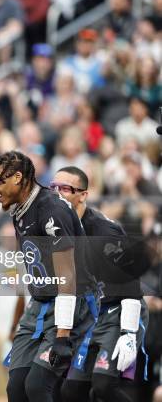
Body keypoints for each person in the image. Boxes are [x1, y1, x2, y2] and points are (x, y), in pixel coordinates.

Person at [0, 151, 97, 402]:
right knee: (16, 388)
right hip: (39, 305)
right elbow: (30, 272)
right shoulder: (20, 210)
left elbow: (67, 276)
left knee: (37, 386)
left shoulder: (51, 208)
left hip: (70, 305)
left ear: (18, 178)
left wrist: (63, 335)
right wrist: (17, 320)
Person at [51, 166, 148, 402]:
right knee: (71, 391)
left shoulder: (104, 231)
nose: (56, 194)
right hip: (91, 313)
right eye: (53, 188)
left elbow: (131, 284)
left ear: (83, 194)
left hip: (119, 309)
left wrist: (128, 332)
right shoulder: (56, 228)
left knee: (103, 386)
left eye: (65, 188)